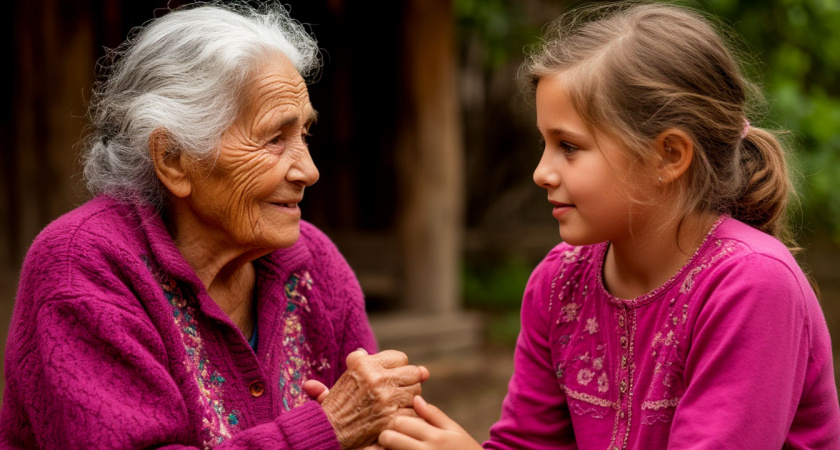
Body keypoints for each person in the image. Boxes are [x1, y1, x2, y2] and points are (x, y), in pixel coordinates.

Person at [376, 3, 840, 449]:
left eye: (569, 146)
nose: (542, 172)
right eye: (545, 143)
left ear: (669, 155)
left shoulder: (751, 286)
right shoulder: (560, 283)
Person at [0, 3, 429, 449]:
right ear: (174, 160)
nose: (308, 170)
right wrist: (328, 429)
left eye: (305, 134)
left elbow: (382, 430)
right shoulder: (83, 265)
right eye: (274, 139)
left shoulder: (311, 264)